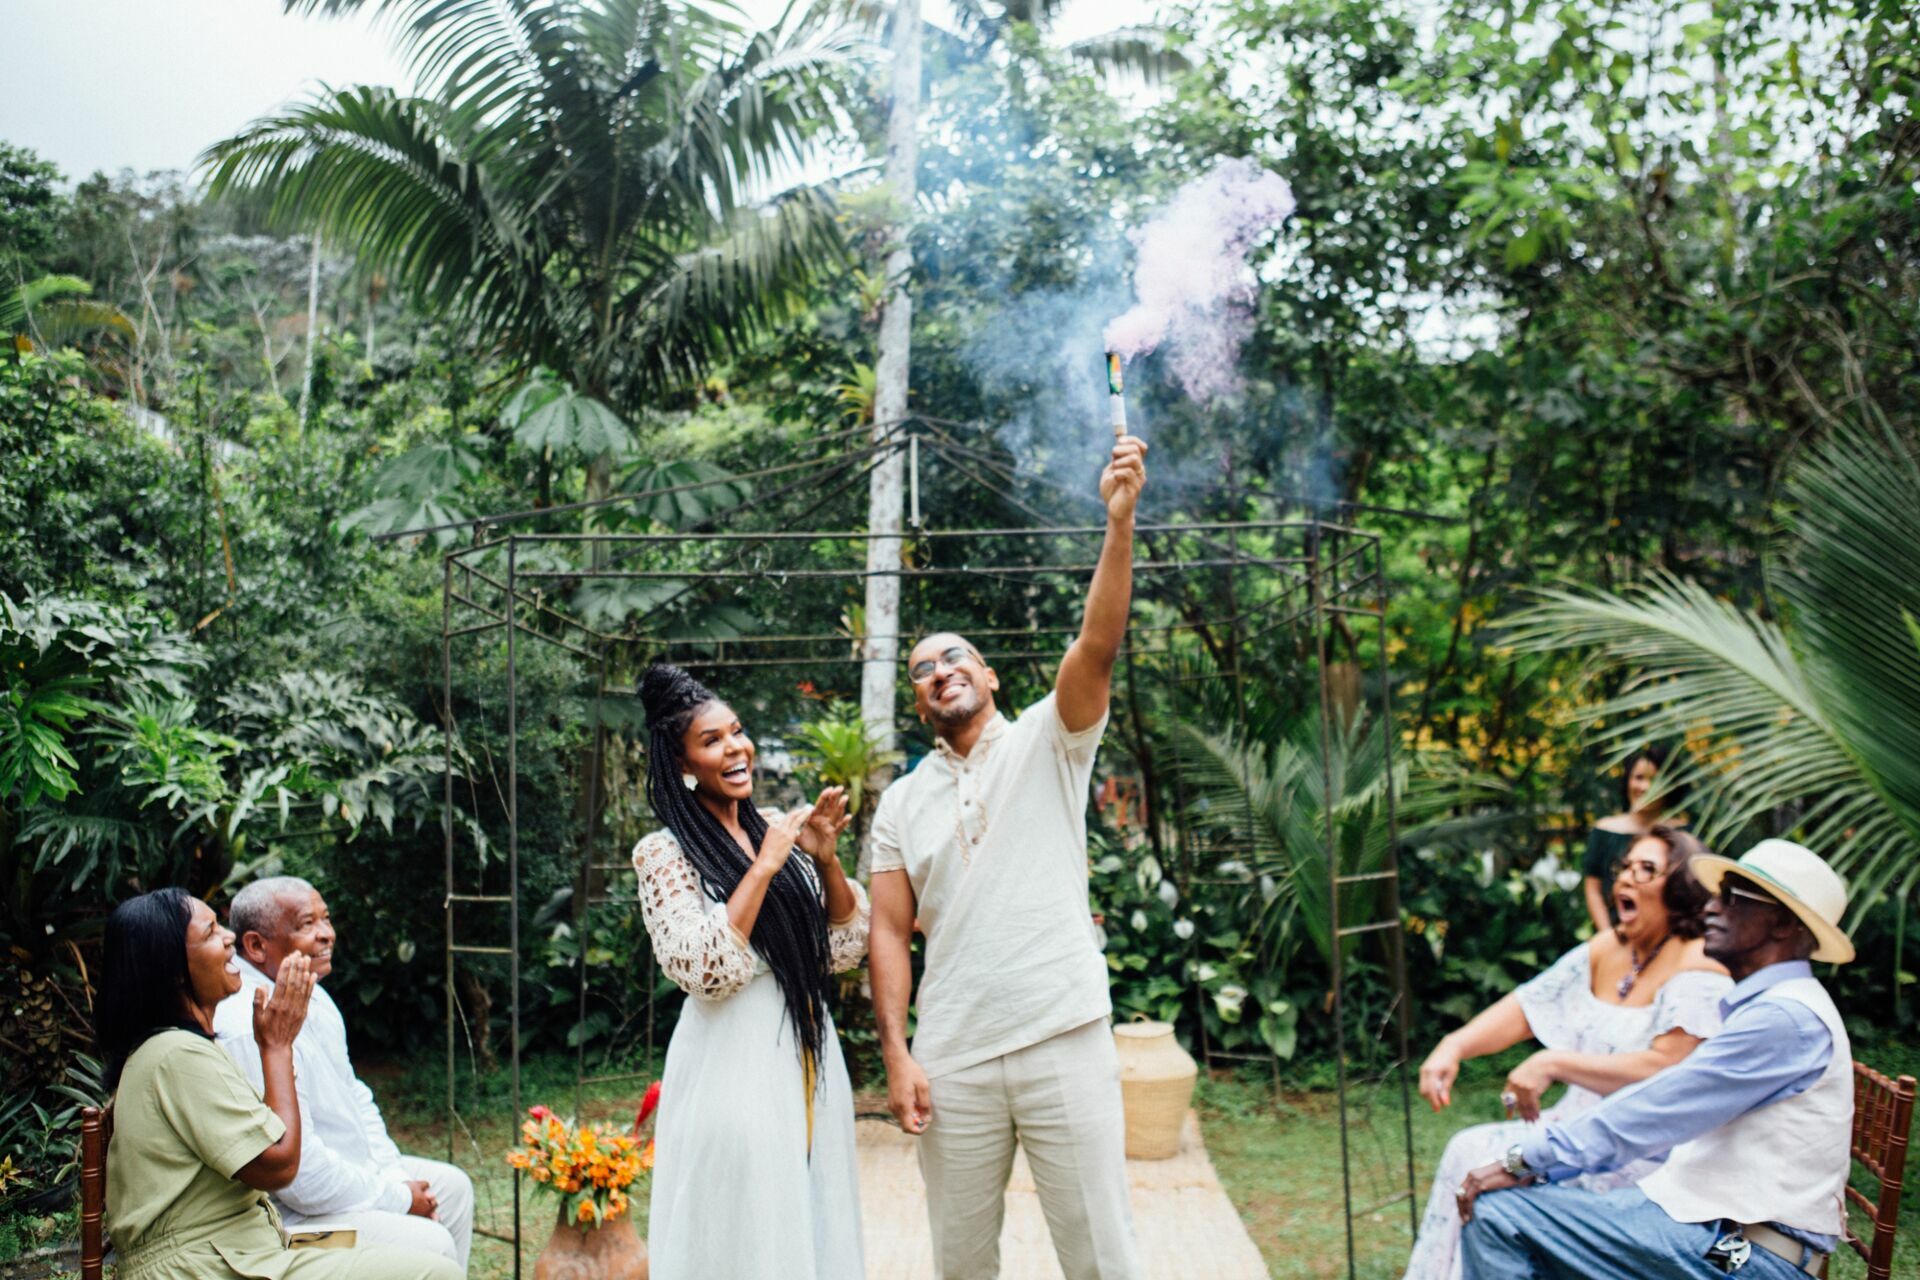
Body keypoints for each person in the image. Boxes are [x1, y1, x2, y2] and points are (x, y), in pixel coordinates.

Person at [868, 434, 1150, 1280]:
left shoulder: (1049, 741)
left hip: (1061, 1030)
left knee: (1101, 1259)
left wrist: (1119, 524)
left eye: (954, 657)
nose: (938, 672)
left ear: (988, 676)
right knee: (961, 1266)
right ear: (919, 703)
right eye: (921, 670)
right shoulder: (901, 802)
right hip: (951, 1056)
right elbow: (888, 931)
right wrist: (897, 1050)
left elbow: (1095, 646)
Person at [1454, 839, 1857, 1279]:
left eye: (1732, 898)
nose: (1710, 909)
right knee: (1531, 1210)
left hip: (1742, 1254)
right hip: (1707, 1227)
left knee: (1499, 1217)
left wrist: (1525, 1159)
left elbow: (1661, 1107)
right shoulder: (1778, 1008)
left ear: (1781, 924)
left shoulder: (1784, 1019)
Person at [630, 663, 871, 1279]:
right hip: (730, 1065)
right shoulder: (666, 851)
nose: (735, 747)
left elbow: (843, 949)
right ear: (683, 763)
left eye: (736, 731)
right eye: (711, 740)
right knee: (746, 1227)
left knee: (811, 1214)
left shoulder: (777, 830)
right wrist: (763, 867)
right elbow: (699, 967)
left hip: (808, 1057)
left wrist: (826, 861)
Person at [1405, 826, 1731, 1278]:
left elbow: (1666, 1067)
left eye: (1648, 870)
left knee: (1479, 1157)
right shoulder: (1610, 948)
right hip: (1574, 1127)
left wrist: (1554, 1062)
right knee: (1468, 1148)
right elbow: (1528, 1003)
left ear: (1681, 889)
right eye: (1625, 867)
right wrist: (1454, 1044)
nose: (1627, 879)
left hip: (1640, 1150)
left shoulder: (1698, 964)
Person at [97, 888, 460, 1280]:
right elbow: (281, 1167)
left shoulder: (180, 1049)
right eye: (210, 933)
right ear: (171, 969)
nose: (229, 937)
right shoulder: (177, 1055)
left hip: (255, 1243)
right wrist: (277, 1047)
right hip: (207, 1262)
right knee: (432, 1271)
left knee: (422, 1239)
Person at [211, 877, 474, 1268]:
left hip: (346, 1182)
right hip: (289, 1222)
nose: (326, 935)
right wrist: (399, 1199)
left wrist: (395, 1177)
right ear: (255, 945)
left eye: (326, 919)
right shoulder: (249, 1022)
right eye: (306, 925)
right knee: (430, 1241)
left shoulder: (314, 994)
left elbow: (356, 1096)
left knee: (453, 1188)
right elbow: (300, 1180)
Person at [1580, 746, 1676, 934]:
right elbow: (1593, 889)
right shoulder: (1604, 830)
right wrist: (1607, 935)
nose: (1646, 787)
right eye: (1639, 777)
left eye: (1655, 780)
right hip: (1614, 933)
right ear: (1628, 781)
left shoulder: (1682, 834)